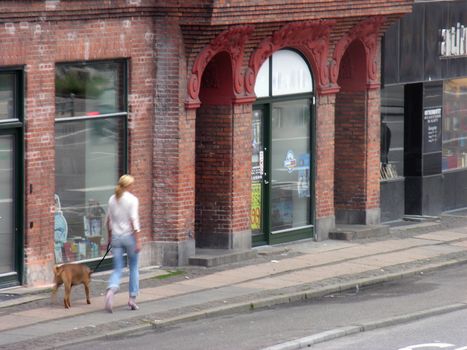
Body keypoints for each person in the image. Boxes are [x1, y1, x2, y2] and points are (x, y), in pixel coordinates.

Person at [104, 174, 142, 312]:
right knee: (133, 267)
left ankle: (111, 290)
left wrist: (109, 238)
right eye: (132, 185)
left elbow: (108, 221)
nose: (133, 187)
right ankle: (132, 299)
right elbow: (134, 221)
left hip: (115, 237)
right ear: (128, 186)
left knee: (118, 267)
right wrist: (138, 240)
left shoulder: (112, 199)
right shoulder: (132, 200)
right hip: (129, 237)